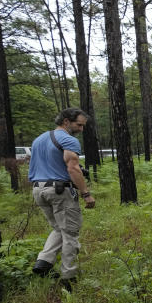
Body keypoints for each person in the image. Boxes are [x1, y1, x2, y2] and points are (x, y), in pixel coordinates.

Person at [28, 107, 95, 290]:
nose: (81, 129)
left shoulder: (39, 139)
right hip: (59, 191)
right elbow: (72, 168)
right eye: (79, 125)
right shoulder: (68, 139)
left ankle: (43, 262)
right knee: (71, 234)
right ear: (66, 121)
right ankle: (69, 277)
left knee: (59, 228)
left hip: (38, 190)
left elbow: (48, 163)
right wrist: (86, 194)